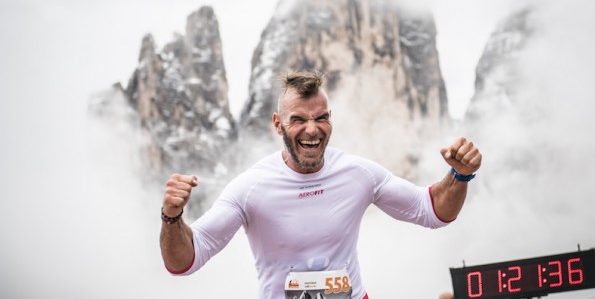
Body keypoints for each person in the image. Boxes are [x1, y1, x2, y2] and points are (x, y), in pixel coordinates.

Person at [160, 71, 482, 299]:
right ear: (278, 124)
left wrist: (459, 176)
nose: (312, 130)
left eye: (321, 118)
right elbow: (186, 259)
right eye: (298, 119)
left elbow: (431, 211)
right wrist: (172, 217)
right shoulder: (250, 187)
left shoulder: (358, 173)